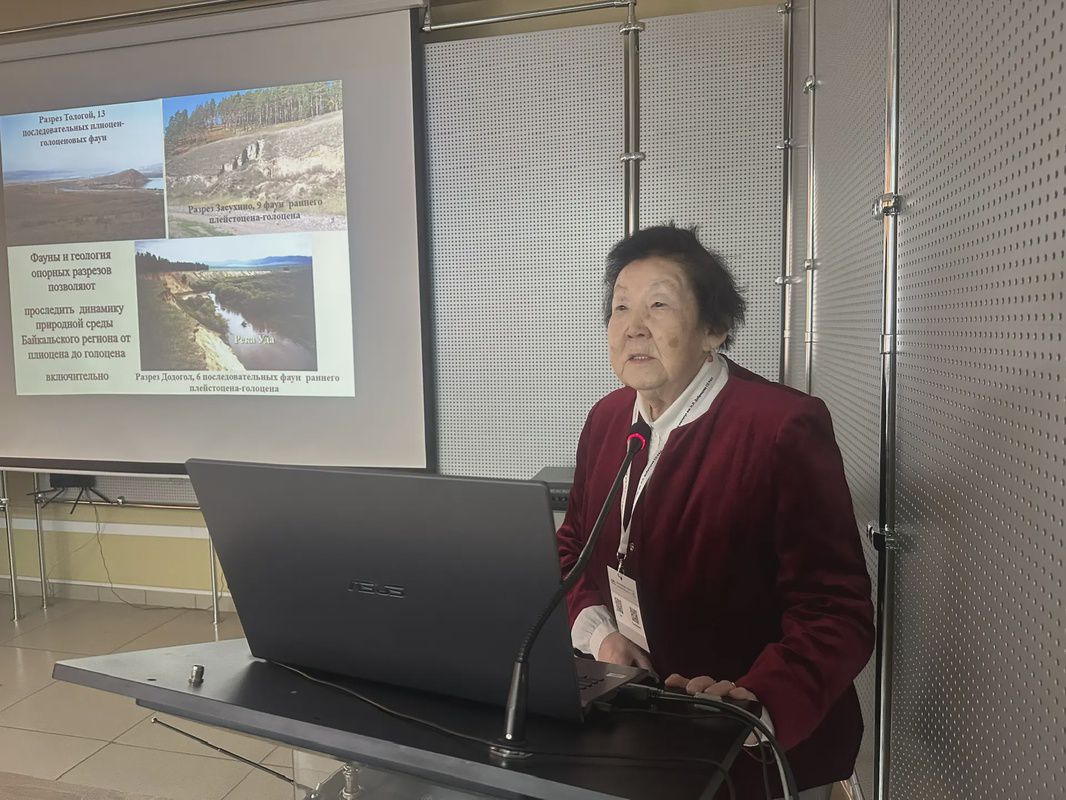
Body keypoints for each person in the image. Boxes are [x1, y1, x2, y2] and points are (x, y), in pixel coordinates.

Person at [556, 225, 875, 800]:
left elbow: (836, 612)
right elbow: (572, 548)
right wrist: (601, 635)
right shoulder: (606, 419)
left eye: (658, 305)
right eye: (620, 307)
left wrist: (758, 703)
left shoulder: (781, 427)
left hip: (760, 753)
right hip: (642, 730)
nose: (633, 327)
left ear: (714, 329)